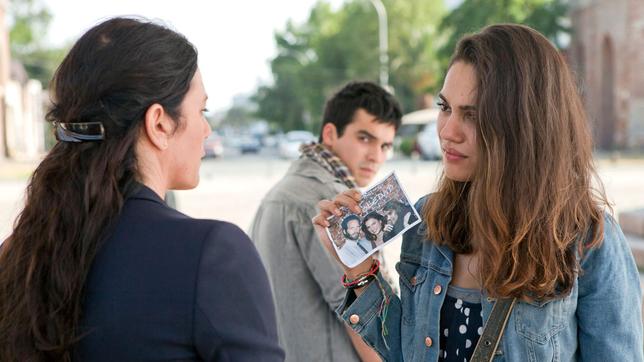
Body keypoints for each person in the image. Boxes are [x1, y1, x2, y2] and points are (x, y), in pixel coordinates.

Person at [313, 24, 643, 361]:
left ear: (524, 125)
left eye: (472, 115)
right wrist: (360, 271)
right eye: (445, 108)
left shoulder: (584, 239)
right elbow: (404, 353)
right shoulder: (428, 221)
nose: (448, 132)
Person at [0, 17, 283, 361]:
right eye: (202, 110)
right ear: (159, 123)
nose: (207, 130)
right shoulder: (213, 255)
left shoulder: (18, 255)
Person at [250, 81, 402, 361]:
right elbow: (362, 316)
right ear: (330, 133)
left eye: (385, 145)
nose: (376, 156)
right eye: (365, 138)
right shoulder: (330, 203)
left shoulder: (282, 191)